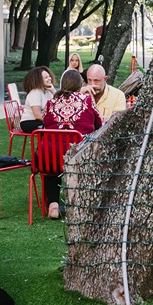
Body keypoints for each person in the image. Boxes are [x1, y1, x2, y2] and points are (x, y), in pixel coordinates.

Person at [41, 69, 102, 219]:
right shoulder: (87, 100)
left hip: (50, 158)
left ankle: (53, 206)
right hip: (79, 157)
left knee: (51, 168)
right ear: (79, 84)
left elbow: (45, 122)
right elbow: (99, 124)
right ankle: (79, 204)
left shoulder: (50, 102)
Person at [19, 66, 54, 133]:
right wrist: (52, 121)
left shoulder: (48, 92)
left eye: (49, 76)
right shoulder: (35, 93)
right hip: (30, 122)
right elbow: (37, 115)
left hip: (41, 121)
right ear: (39, 80)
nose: (49, 79)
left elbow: (59, 104)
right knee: (53, 128)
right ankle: (45, 143)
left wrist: (53, 90)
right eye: (46, 77)